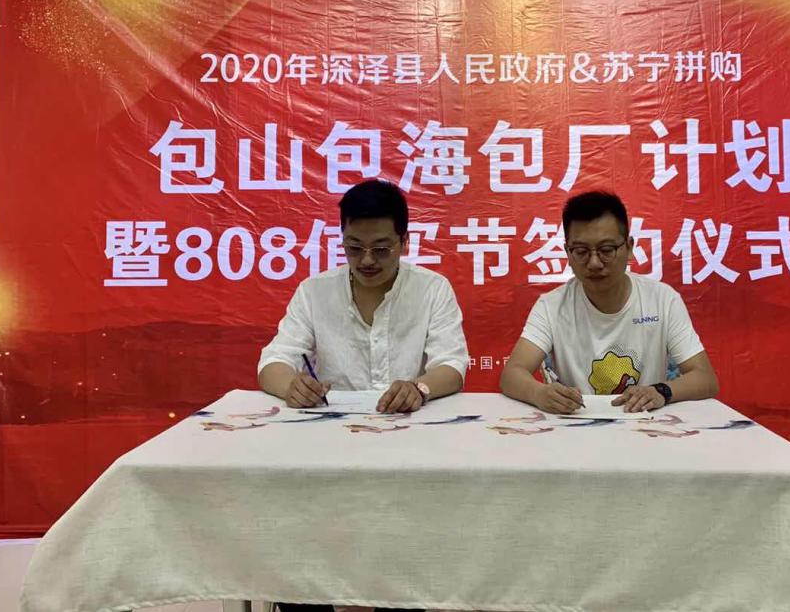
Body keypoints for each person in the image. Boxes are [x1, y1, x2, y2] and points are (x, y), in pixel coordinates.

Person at [258, 179, 468, 612]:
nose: (367, 260)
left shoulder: (432, 289)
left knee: (407, 559)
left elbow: (453, 365)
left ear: (404, 242)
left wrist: (420, 387)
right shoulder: (315, 291)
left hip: (410, 443)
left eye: (381, 249)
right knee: (303, 551)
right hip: (331, 446)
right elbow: (274, 360)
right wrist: (290, 385)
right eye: (354, 248)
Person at [501, 190, 718, 414]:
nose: (594, 263)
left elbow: (705, 378)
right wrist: (538, 393)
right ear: (567, 252)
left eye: (606, 250)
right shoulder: (551, 306)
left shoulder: (662, 299)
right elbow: (512, 373)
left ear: (629, 247)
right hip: (578, 423)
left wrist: (661, 391)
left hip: (644, 423)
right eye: (581, 251)